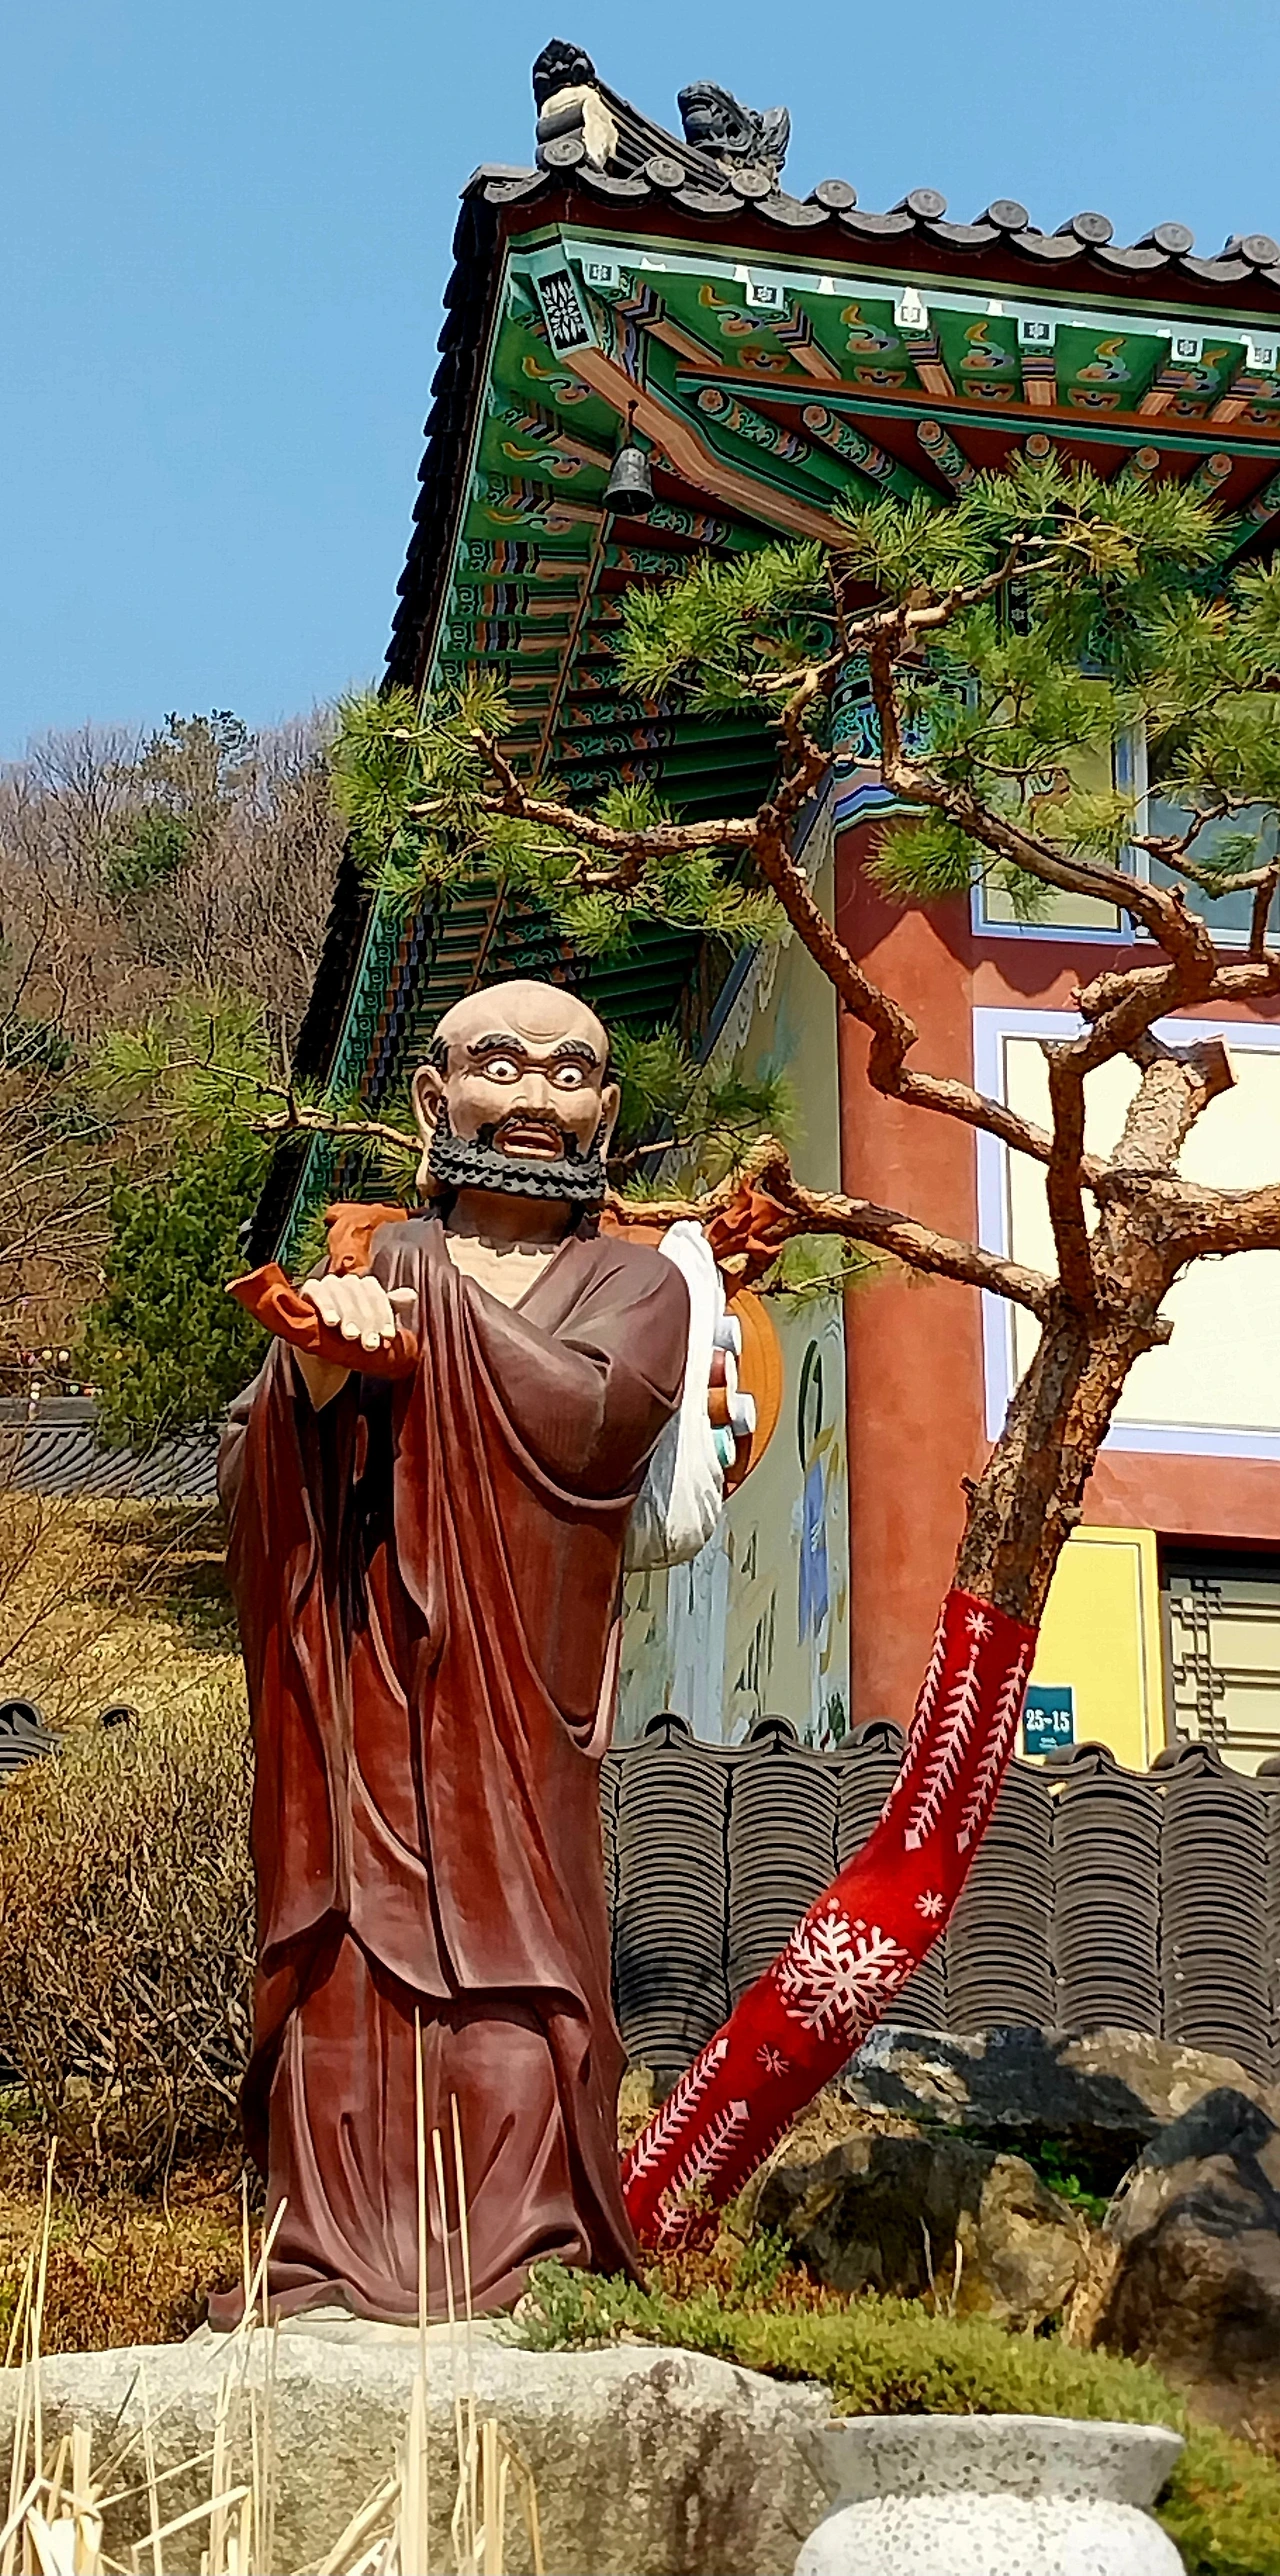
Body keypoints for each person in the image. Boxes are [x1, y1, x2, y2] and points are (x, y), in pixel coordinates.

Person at [211, 979, 719, 2325]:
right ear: (436, 1098)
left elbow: (600, 1421)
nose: (536, 1098)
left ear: (606, 1110)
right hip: (367, 1694)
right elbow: (257, 1470)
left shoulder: (634, 1282)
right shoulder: (373, 1265)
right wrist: (318, 1374)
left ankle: (522, 2262)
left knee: (519, 1992)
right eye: (502, 1065)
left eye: (570, 1074)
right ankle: (329, 2260)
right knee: (348, 1975)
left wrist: (423, 1304)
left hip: (517, 1705)